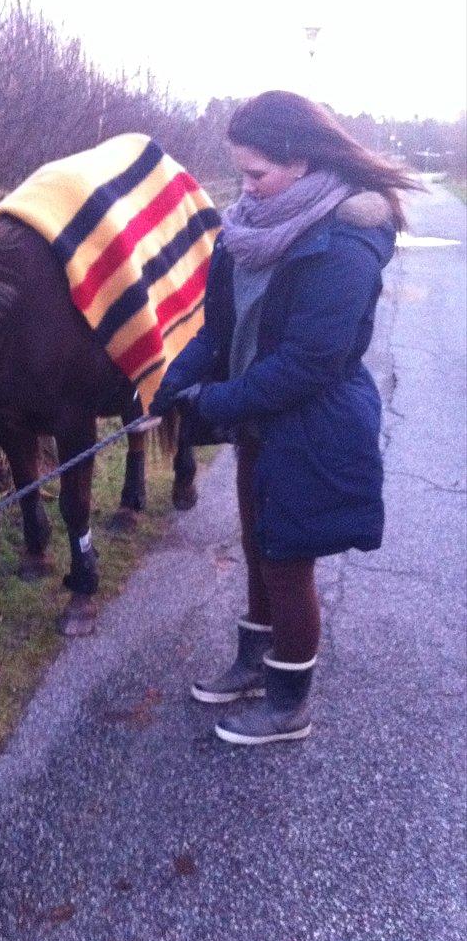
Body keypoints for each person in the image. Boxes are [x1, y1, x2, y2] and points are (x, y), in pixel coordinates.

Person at [150, 90, 420, 746]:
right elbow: (218, 330)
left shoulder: (346, 240)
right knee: (257, 548)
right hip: (256, 423)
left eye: (255, 172)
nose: (243, 186)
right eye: (239, 171)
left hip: (311, 427)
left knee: (287, 563)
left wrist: (210, 404)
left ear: (299, 161)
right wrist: (172, 384)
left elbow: (309, 364)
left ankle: (288, 705)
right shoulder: (246, 228)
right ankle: (254, 661)